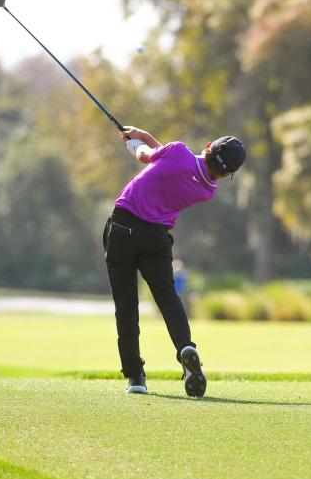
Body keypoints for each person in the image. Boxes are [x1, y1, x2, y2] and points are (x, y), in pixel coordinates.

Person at [104, 127, 246, 397]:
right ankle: (184, 347)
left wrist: (136, 141)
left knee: (126, 305)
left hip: (123, 228)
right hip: (156, 239)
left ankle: (136, 378)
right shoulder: (208, 189)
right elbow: (167, 158)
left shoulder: (178, 151)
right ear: (227, 174)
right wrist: (141, 136)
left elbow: (147, 156)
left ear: (207, 146)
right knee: (169, 299)